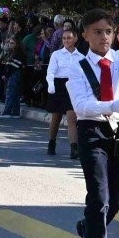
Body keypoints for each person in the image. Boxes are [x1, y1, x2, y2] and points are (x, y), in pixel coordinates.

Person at [66, 9, 119, 238]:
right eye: (97, 32)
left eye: (108, 31)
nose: (104, 37)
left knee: (117, 195)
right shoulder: (77, 66)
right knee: (99, 195)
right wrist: (112, 105)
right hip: (92, 131)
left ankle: (89, 228)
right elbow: (81, 106)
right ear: (85, 35)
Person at [45, 23, 82, 159]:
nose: (66, 40)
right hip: (58, 85)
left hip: (73, 87)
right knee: (56, 117)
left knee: (72, 117)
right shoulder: (57, 54)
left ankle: (74, 147)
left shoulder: (81, 57)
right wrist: (51, 84)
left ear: (75, 39)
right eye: (64, 38)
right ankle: (52, 142)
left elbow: (84, 75)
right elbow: (51, 71)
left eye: (69, 38)